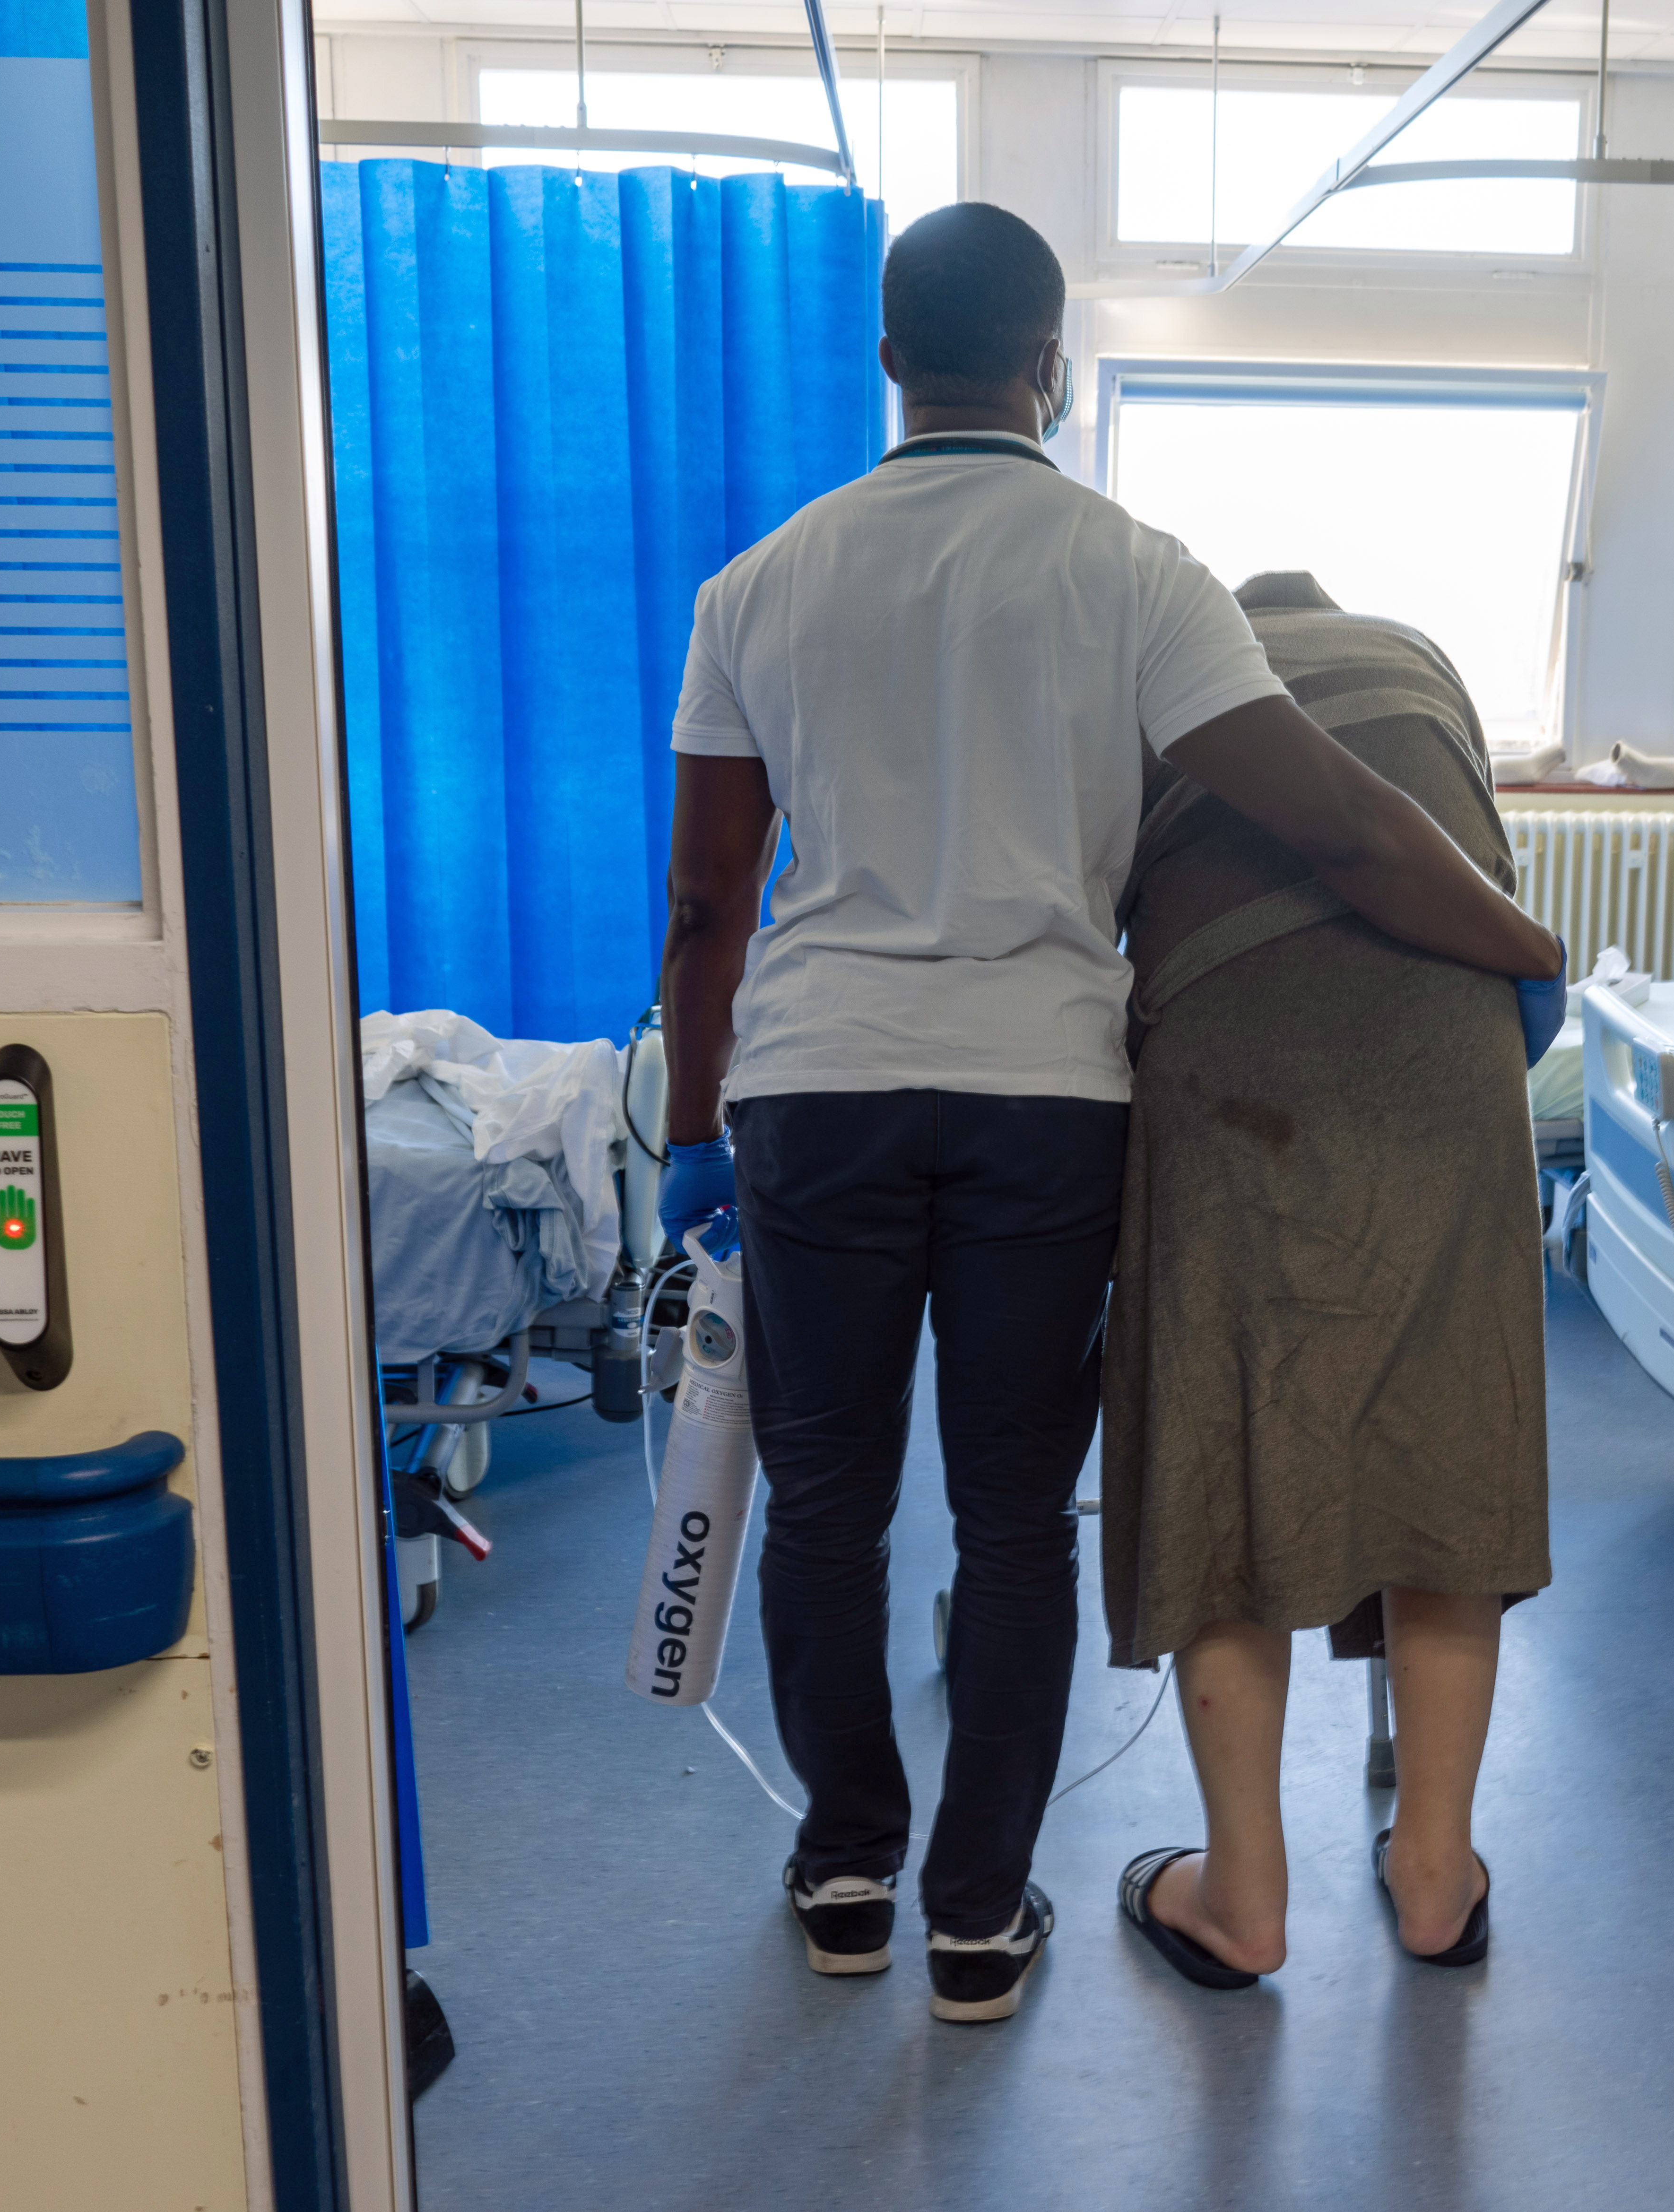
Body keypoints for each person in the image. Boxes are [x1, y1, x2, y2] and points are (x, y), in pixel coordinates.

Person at [656, 204, 1562, 2026]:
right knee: (1010, 1517)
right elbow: (1333, 823)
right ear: (1054, 368)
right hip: (1041, 1102)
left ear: (891, 362)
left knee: (826, 1505)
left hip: (814, 1093)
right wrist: (1522, 939)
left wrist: (693, 1128)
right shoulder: (1136, 573)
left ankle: (845, 1878)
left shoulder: (755, 585)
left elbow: (706, 901)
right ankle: (979, 1921)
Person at [1100, 572, 1557, 1990]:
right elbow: (1457, 857)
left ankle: (1240, 1893)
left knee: (1224, 1445)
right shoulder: (1416, 653)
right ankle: (1433, 1875)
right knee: (1445, 1443)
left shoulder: (1157, 661)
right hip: (1450, 1045)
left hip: (1226, 1060)